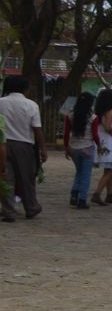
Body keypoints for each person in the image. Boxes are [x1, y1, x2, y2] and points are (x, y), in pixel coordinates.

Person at [1, 76, 46, 218]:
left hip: (3, 143)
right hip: (24, 144)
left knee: (6, 177)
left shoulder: (1, 103)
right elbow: (37, 129)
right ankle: (31, 206)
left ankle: (8, 210)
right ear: (25, 88)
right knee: (26, 177)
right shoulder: (31, 105)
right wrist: (43, 149)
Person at [90, 87, 112, 206]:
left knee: (109, 168)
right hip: (108, 141)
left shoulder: (99, 111)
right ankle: (97, 193)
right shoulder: (111, 112)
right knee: (111, 168)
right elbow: (108, 127)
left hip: (103, 140)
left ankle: (109, 194)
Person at [64, 91, 97, 210]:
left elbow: (66, 133)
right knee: (86, 175)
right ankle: (82, 199)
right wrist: (100, 146)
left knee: (79, 172)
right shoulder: (92, 117)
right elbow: (95, 135)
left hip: (73, 148)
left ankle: (74, 194)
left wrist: (66, 148)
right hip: (87, 147)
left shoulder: (70, 114)